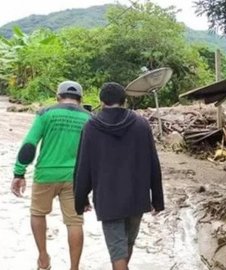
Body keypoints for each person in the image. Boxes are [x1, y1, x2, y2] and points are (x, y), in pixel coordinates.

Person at [74, 82, 164, 270]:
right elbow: (153, 163)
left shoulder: (91, 126)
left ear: (101, 101)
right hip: (136, 197)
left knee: (118, 251)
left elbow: (84, 166)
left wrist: (80, 198)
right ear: (124, 101)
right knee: (126, 246)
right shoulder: (141, 124)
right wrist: (157, 199)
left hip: (109, 199)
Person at [11, 81, 91, 270]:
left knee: (38, 214)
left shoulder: (45, 114)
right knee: (74, 223)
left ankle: (43, 258)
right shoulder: (89, 118)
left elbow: (30, 145)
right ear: (80, 99)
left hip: (45, 174)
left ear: (58, 96)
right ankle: (74, 268)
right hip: (75, 177)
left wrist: (19, 172)